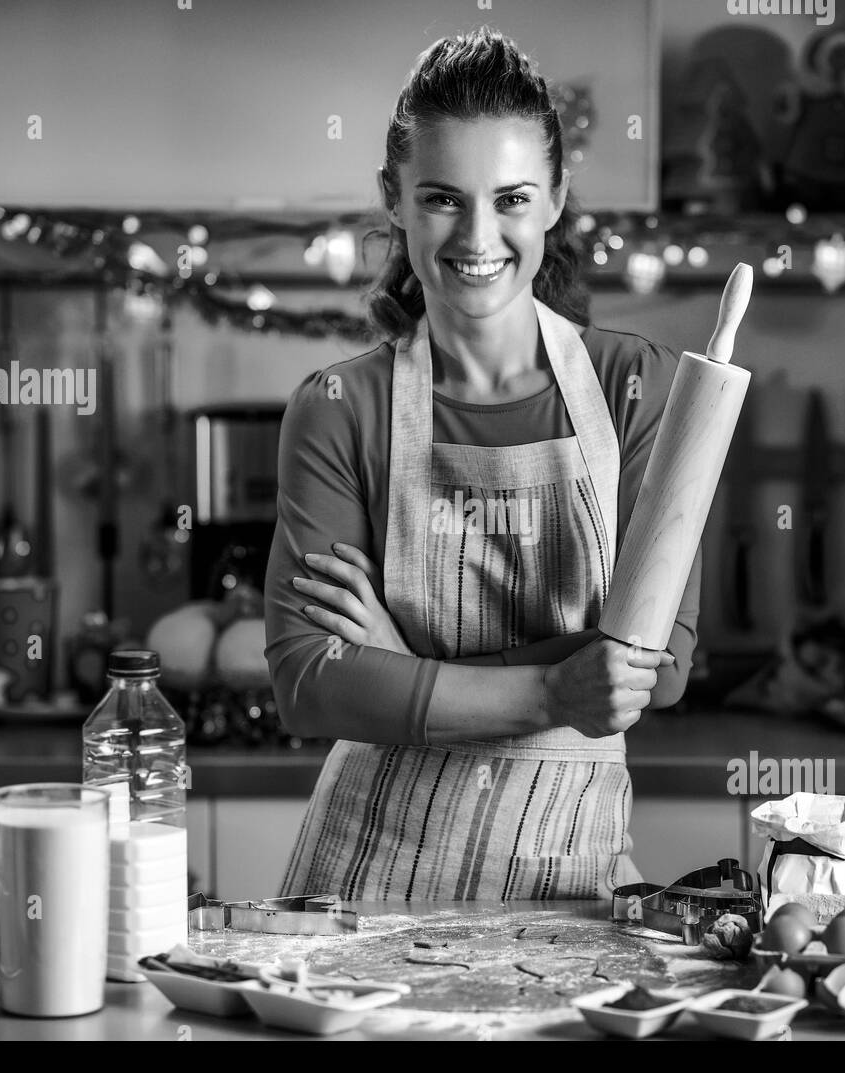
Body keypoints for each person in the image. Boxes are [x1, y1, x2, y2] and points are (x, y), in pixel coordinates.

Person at [263, 27, 704, 901]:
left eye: (511, 198)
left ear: (555, 200)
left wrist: (401, 670)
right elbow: (310, 681)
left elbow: (657, 666)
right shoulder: (340, 409)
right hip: (367, 891)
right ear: (393, 198)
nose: (478, 235)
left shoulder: (635, 390)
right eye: (441, 198)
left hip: (569, 891)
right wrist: (553, 691)